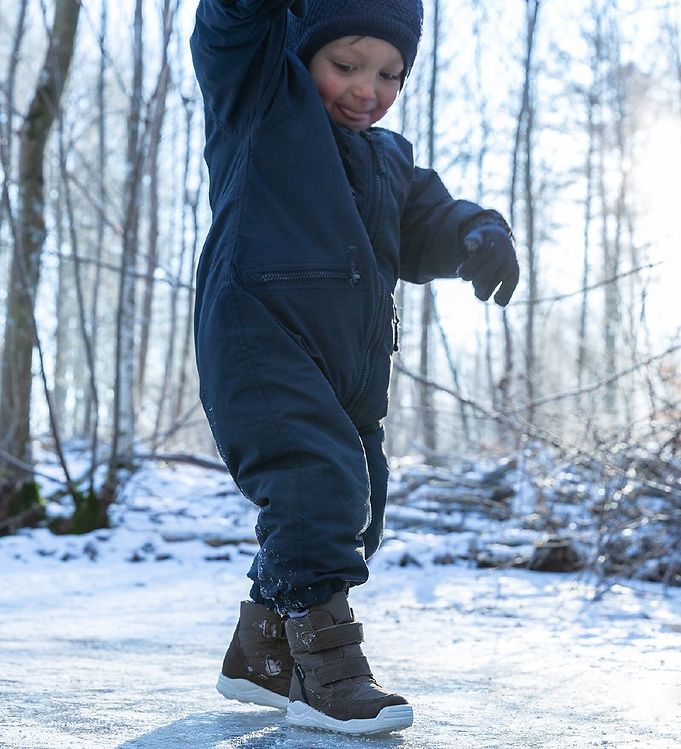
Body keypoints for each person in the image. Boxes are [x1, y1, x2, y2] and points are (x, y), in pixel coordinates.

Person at [190, 0, 519, 735]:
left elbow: (429, 224)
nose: (366, 88)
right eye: (345, 65)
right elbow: (231, 23)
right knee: (319, 487)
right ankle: (326, 674)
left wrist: (477, 231)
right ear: (302, 49)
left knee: (356, 507)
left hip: (350, 376)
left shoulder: (388, 160)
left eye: (389, 74)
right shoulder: (260, 106)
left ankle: (263, 654)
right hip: (259, 343)